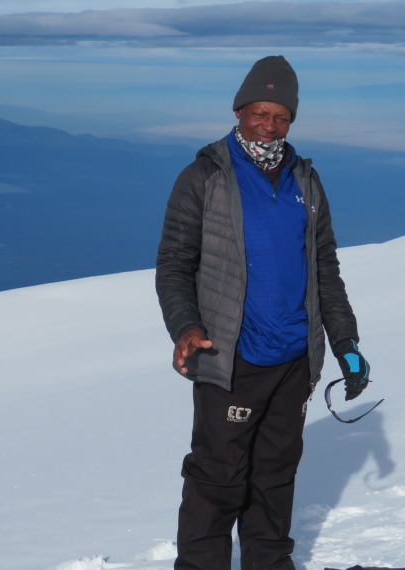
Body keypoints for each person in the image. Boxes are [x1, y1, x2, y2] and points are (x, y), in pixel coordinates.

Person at [155, 55, 371, 570]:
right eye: (259, 113)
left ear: (291, 120)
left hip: (295, 360)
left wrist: (345, 343)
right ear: (239, 111)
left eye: (280, 116)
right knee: (217, 478)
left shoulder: (305, 181)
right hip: (230, 357)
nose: (268, 125)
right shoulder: (204, 177)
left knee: (275, 477)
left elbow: (324, 268)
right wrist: (185, 326)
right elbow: (174, 263)